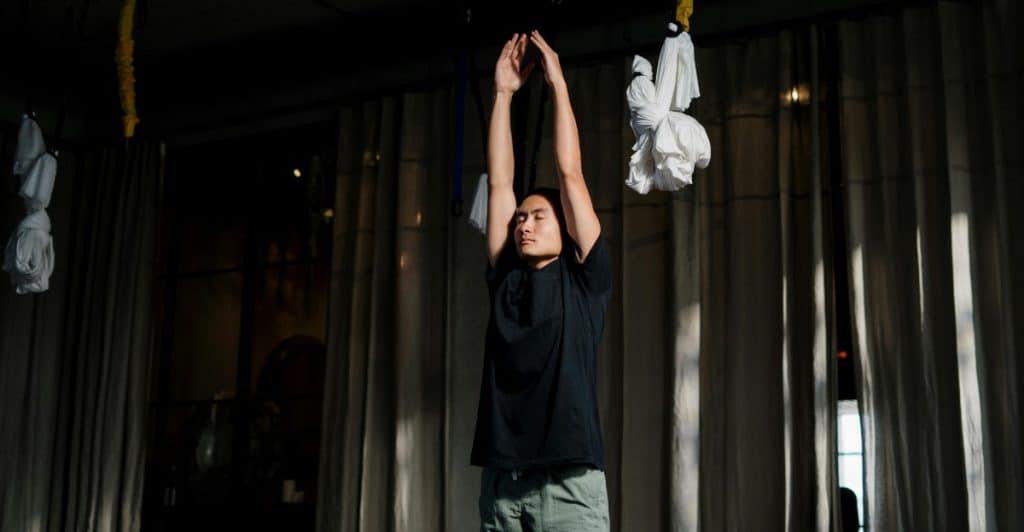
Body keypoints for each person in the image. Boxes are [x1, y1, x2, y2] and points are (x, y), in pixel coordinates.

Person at [470, 30, 613, 532]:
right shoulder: (506, 277)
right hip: (502, 486)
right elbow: (501, 180)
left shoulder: (585, 281)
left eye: (538, 217)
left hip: (568, 485)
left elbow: (569, 173)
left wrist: (557, 84)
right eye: (519, 220)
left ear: (566, 230)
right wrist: (504, 94)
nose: (523, 224)